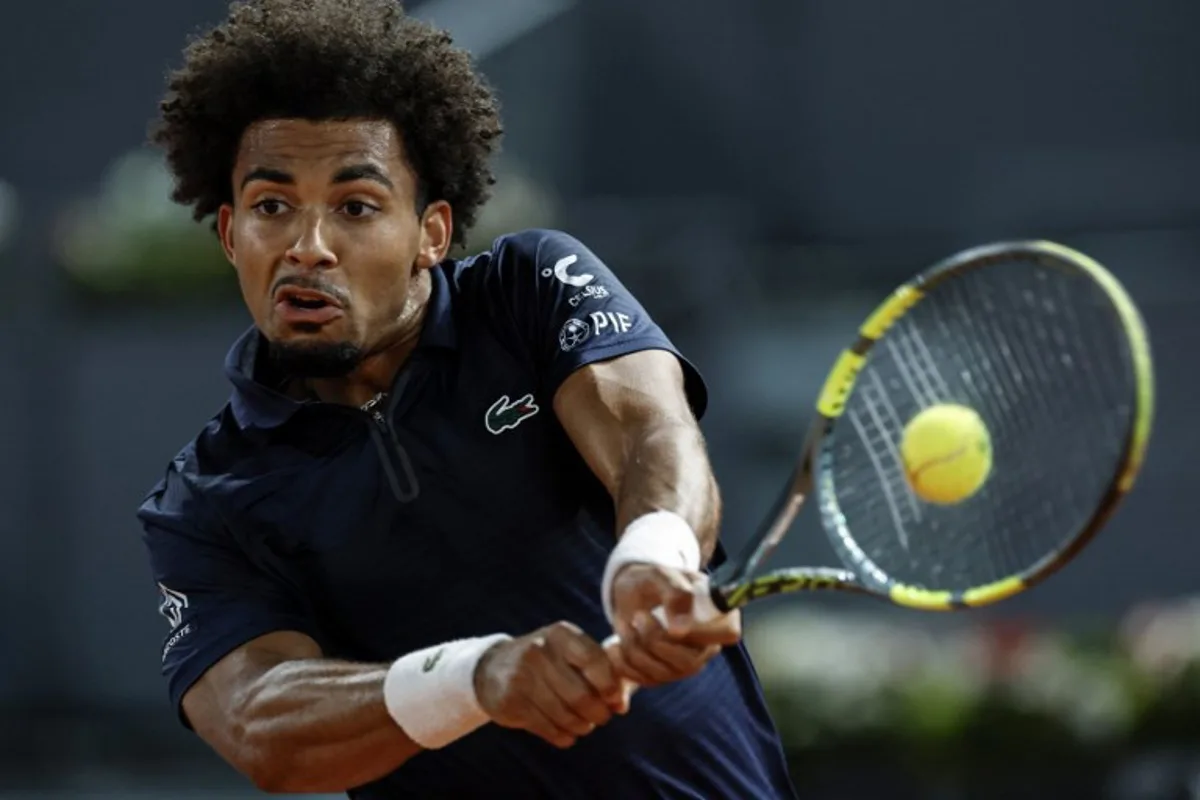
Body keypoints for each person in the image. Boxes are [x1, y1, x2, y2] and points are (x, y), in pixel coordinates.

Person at [137, 1, 798, 797]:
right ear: (230, 234)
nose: (308, 247)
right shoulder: (205, 500)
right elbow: (258, 725)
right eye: (272, 206)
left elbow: (648, 431)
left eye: (356, 206)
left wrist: (653, 559)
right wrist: (473, 678)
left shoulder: (528, 290)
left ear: (433, 234)